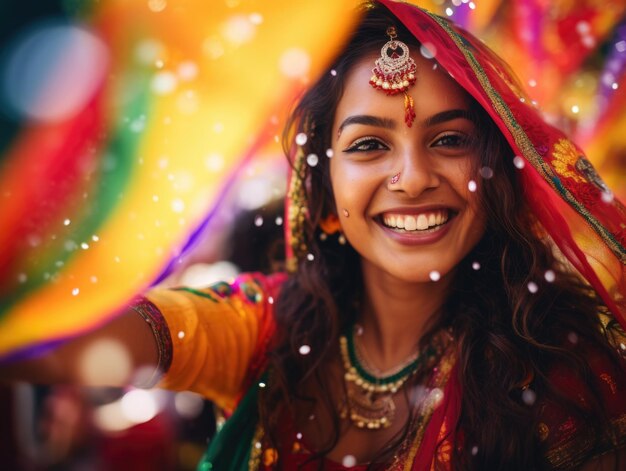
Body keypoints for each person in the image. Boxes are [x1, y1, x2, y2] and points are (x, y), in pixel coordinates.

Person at [4, 0, 626, 469]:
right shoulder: (266, 330)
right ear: (325, 201)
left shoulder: (568, 377)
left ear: (493, 176)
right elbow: (62, 340)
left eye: (450, 140)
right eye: (368, 145)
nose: (412, 177)